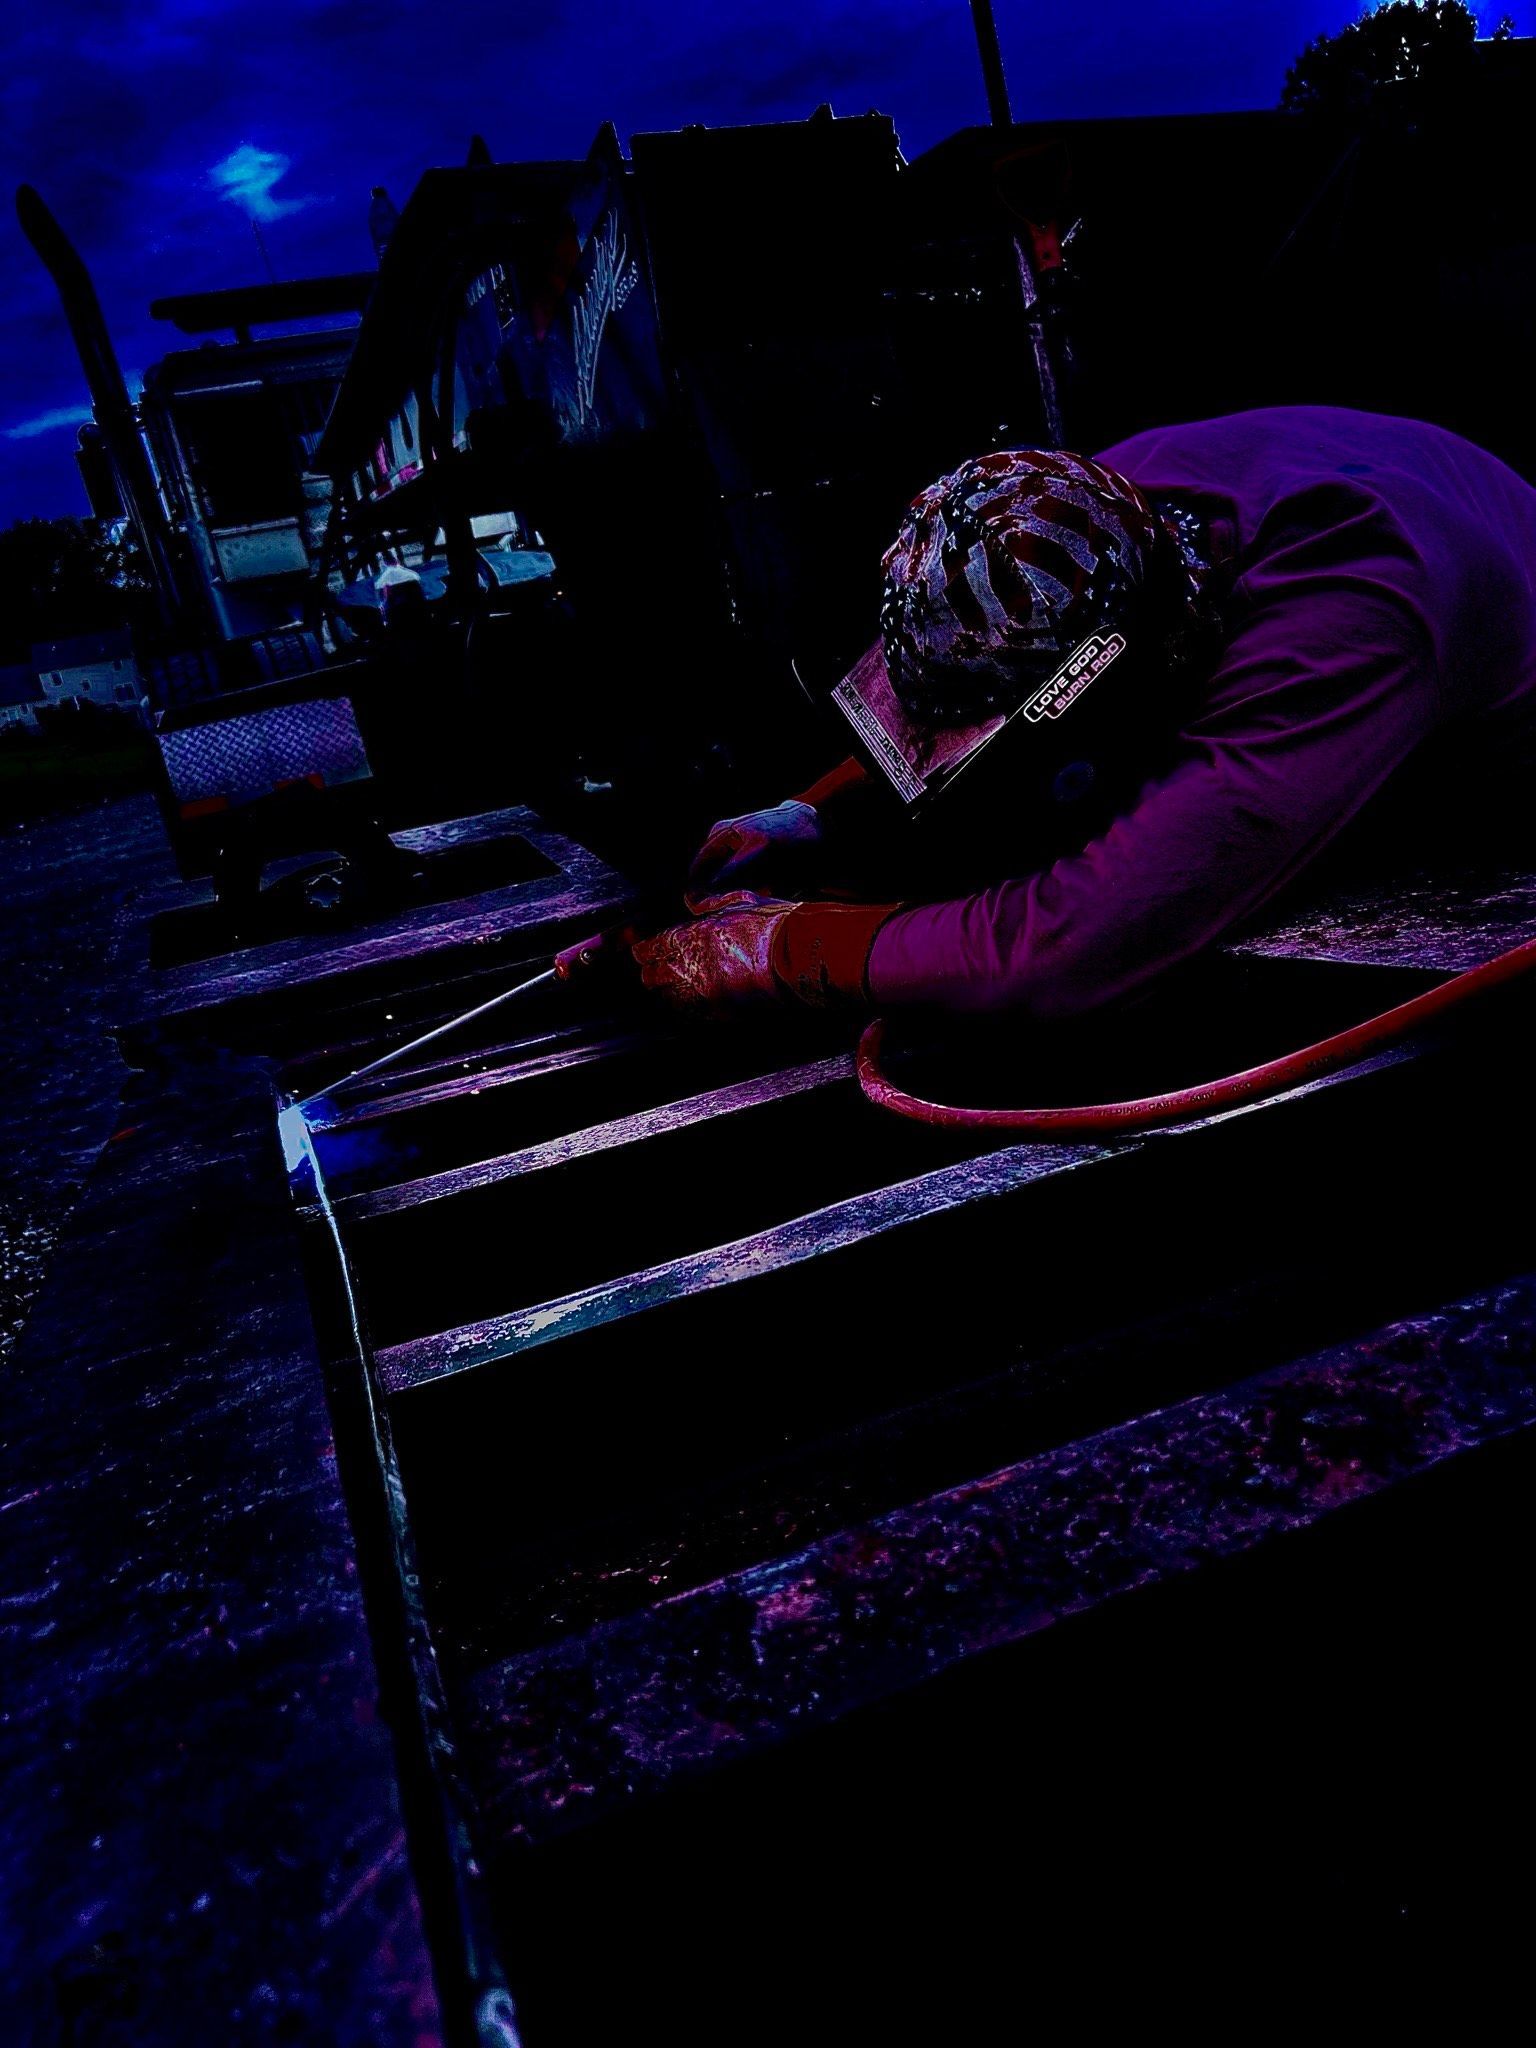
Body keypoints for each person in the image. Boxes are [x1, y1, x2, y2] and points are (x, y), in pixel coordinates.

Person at [633, 406, 1536, 1021]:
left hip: (1492, 762)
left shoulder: (1343, 621)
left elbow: (1077, 939)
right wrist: (814, 814)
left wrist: (784, 953)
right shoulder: (1080, 514)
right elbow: (966, 674)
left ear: (1102, 677)